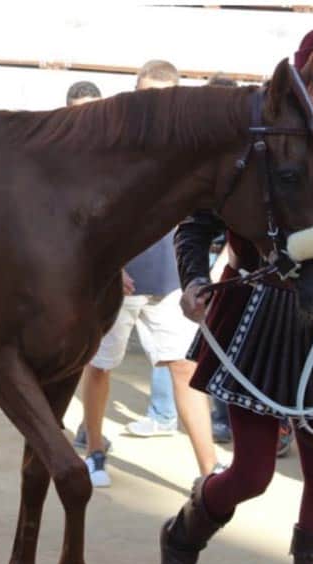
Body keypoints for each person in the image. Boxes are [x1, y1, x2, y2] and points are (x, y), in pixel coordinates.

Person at [160, 26, 313, 564]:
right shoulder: (261, 152)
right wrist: (194, 280)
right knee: (252, 473)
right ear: (311, 92)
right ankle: (183, 533)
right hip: (255, 322)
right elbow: (195, 227)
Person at [75, 60, 220, 489]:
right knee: (100, 367)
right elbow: (93, 212)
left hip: (170, 281)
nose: (154, 103)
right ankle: (95, 450)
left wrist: (195, 274)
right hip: (118, 280)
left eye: (163, 95)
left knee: (185, 369)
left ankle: (210, 471)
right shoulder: (115, 146)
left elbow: (197, 220)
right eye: (146, 94)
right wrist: (111, 262)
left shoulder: (190, 148)